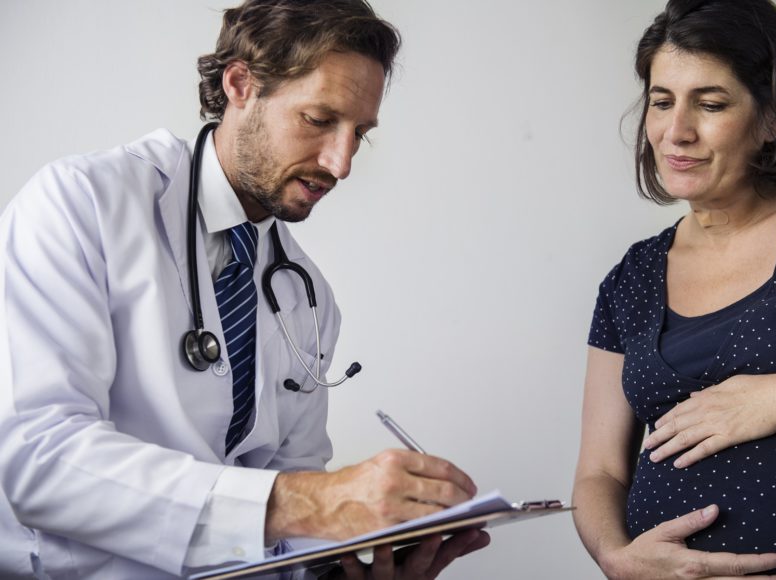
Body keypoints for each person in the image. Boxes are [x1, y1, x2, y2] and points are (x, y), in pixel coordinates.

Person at [0, 1, 489, 578]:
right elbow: (39, 461)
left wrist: (340, 566)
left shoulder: (307, 299)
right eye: (320, 119)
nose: (342, 162)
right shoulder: (82, 205)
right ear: (240, 83)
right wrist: (310, 502)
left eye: (360, 133)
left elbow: (288, 515)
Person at [572, 0, 776, 577]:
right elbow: (599, 473)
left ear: (775, 115)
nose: (676, 132)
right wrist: (617, 558)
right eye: (661, 102)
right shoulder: (630, 279)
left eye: (710, 104)